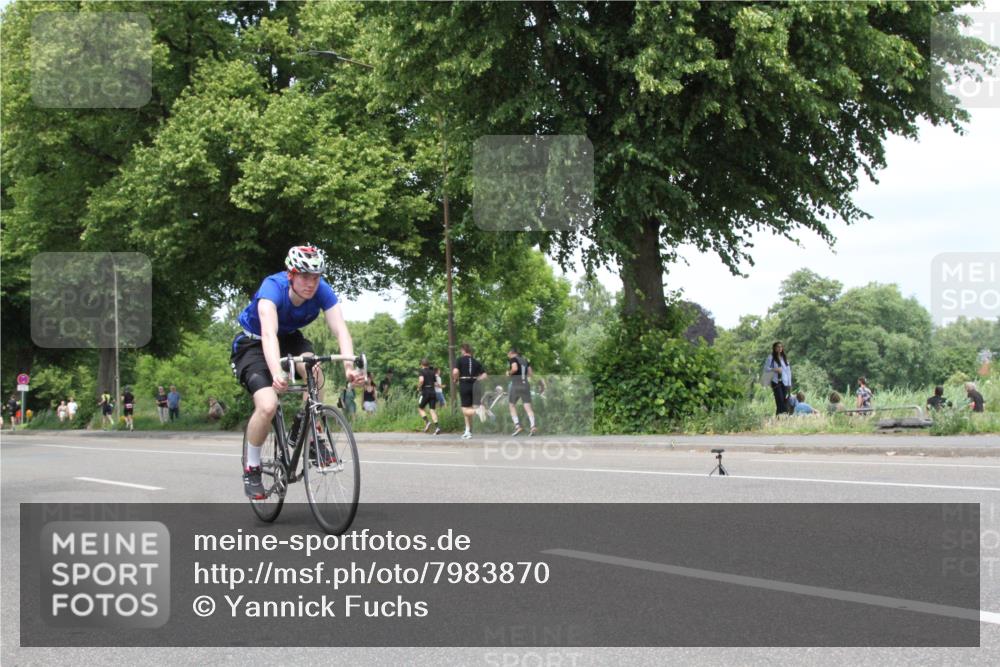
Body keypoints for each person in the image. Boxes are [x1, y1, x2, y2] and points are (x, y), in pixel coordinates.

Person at [230, 244, 363, 499]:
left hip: (290, 338)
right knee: (268, 405)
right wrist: (277, 373)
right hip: (254, 343)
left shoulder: (322, 291)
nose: (311, 283)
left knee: (315, 371)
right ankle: (252, 467)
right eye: (304, 276)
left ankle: (310, 432)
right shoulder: (272, 288)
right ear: (290, 274)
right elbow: (269, 334)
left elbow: (340, 329)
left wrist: (349, 367)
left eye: (315, 277)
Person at [452, 343, 487, 439]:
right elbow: (485, 375)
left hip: (464, 384)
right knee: (469, 407)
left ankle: (478, 411)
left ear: (463, 350)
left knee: (465, 410)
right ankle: (468, 431)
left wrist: (455, 379)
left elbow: (455, 372)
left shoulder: (459, 360)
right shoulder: (476, 362)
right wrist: (477, 379)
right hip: (475, 385)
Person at [507, 347, 537, 435]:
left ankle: (517, 426)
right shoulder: (525, 360)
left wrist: (509, 373)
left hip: (516, 384)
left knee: (511, 405)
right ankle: (533, 426)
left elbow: (515, 368)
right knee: (528, 407)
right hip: (525, 384)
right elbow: (530, 374)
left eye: (508, 353)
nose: (508, 355)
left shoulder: (513, 359)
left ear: (511, 353)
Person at [764, 342, 792, 416]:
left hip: (785, 382)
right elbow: (766, 369)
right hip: (776, 382)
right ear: (774, 348)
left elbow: (788, 372)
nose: (779, 348)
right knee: (779, 400)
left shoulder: (785, 358)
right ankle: (784, 416)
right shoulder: (771, 357)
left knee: (783, 401)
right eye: (778, 347)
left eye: (781, 347)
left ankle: (779, 418)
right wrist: (775, 369)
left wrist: (789, 384)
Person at [416, 358, 441, 434]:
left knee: (420, 408)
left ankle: (427, 422)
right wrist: (440, 386)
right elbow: (436, 383)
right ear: (428, 364)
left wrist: (419, 387)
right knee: (432, 410)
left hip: (426, 392)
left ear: (421, 364)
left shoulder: (421, 371)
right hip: (433, 392)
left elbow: (421, 380)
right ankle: (437, 427)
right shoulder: (432, 372)